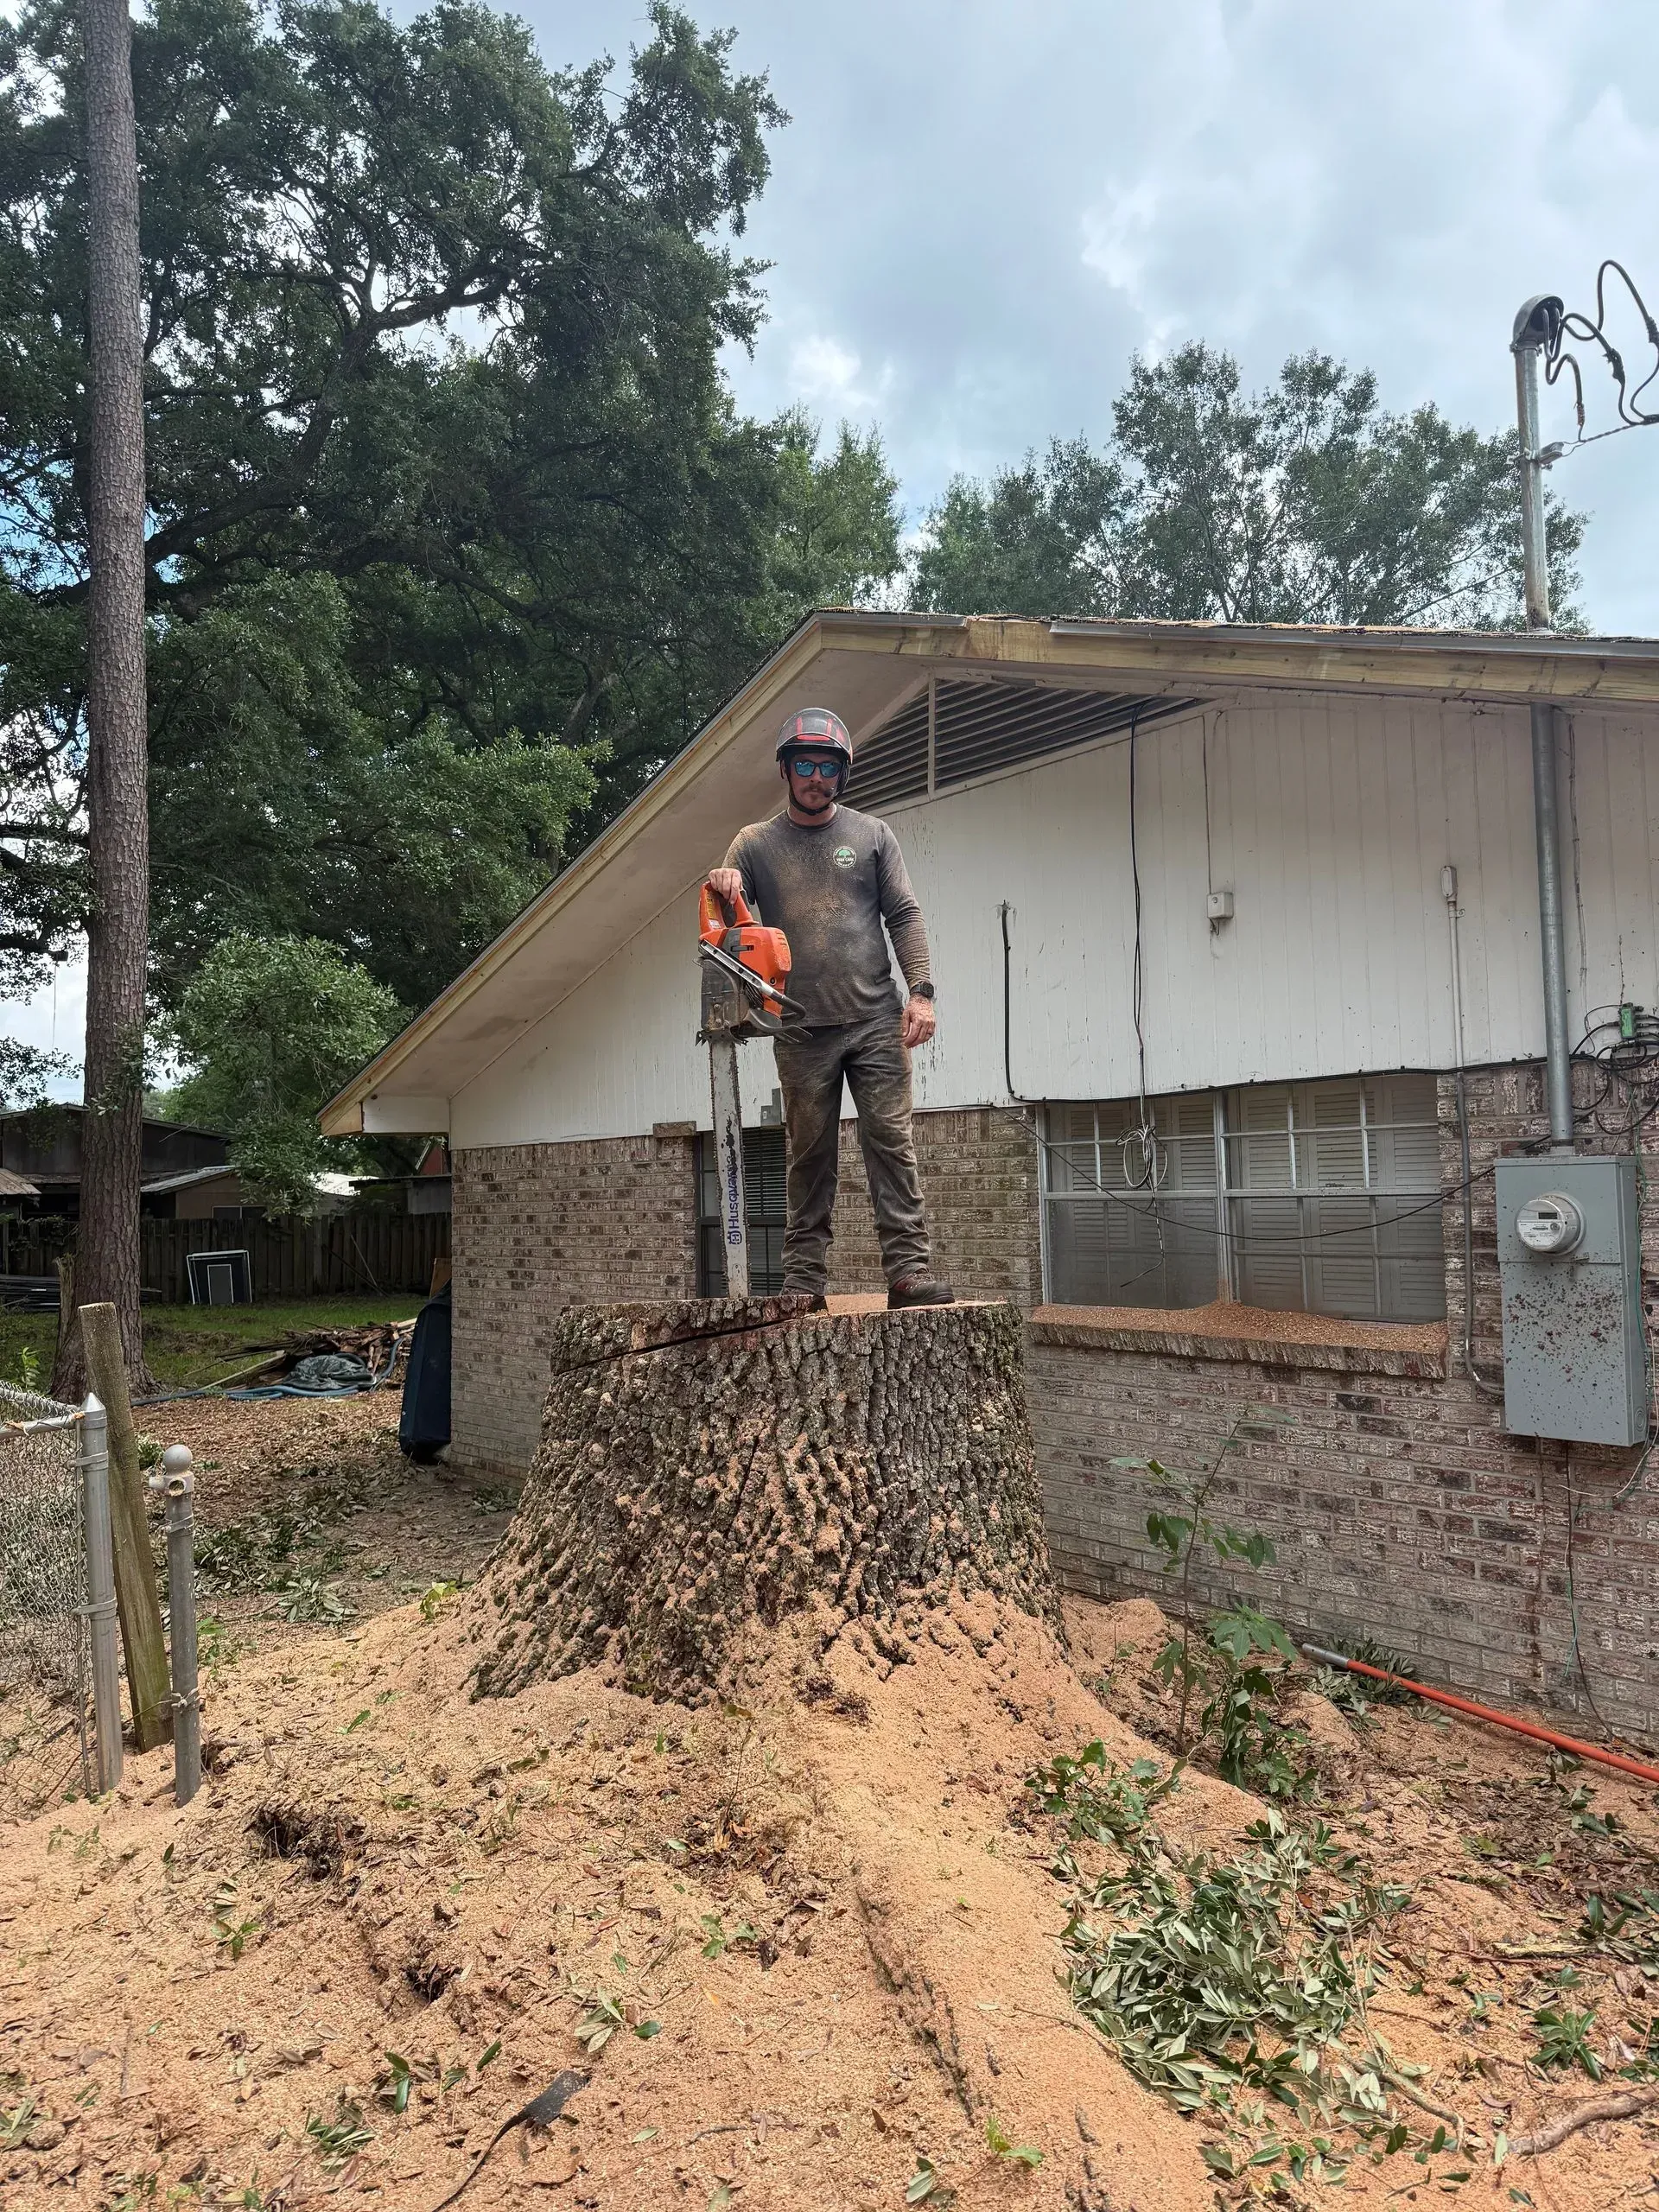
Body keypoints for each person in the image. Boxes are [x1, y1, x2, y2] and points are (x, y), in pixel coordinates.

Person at [706, 706, 954, 1311]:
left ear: (842, 775)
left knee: (890, 1142)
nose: (816, 777)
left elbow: (905, 915)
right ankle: (803, 1281)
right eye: (805, 765)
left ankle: (908, 1272)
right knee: (808, 1152)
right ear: (787, 770)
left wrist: (920, 992)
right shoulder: (756, 844)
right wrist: (721, 881)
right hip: (798, 1026)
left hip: (875, 1021)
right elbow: (718, 923)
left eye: (827, 767)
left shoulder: (872, 837)